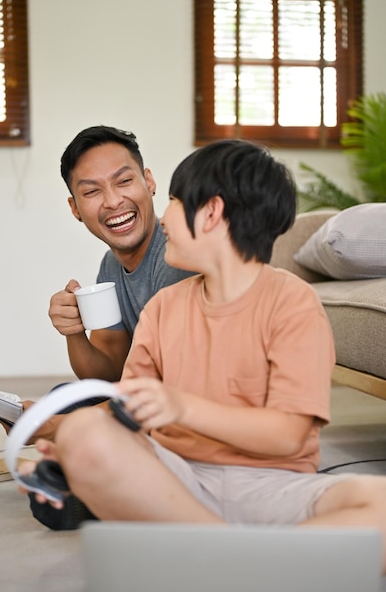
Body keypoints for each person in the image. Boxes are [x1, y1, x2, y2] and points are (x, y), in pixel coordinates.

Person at [20, 138, 386, 569]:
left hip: (273, 487)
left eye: (174, 201)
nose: (166, 219)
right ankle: (245, 561)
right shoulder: (163, 309)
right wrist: (66, 442)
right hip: (179, 478)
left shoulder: (294, 303)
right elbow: (124, 410)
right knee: (84, 431)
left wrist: (179, 407)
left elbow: (288, 434)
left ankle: (216, 557)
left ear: (210, 212)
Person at [0, 125, 194, 438]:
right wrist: (74, 332)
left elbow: (165, 389)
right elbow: (106, 375)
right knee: (69, 394)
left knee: (67, 411)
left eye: (125, 181)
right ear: (75, 208)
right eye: (92, 191)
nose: (113, 201)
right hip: (140, 400)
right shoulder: (110, 266)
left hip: (178, 406)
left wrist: (52, 423)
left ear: (149, 181)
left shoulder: (177, 259)